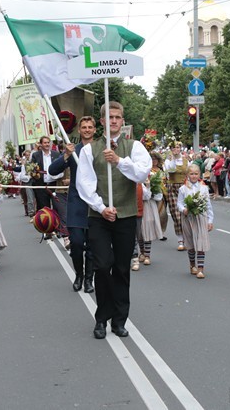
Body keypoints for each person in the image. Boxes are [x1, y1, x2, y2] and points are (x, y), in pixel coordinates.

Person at [77, 101, 151, 339]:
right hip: (99, 216)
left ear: (123, 120)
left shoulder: (135, 146)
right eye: (109, 118)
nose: (114, 121)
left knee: (121, 268)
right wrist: (101, 207)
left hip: (126, 215)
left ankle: (119, 320)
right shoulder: (90, 149)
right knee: (102, 265)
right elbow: (85, 183)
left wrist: (119, 161)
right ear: (102, 121)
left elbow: (141, 173)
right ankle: (101, 318)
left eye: (118, 117)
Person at [48, 116, 96, 293]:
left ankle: (90, 279)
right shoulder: (73, 150)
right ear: (79, 130)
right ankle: (79, 275)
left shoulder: (100, 149)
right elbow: (52, 171)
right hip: (76, 202)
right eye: (84, 127)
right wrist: (66, 155)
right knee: (76, 243)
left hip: (94, 202)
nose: (87, 130)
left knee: (92, 245)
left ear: (95, 130)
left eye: (90, 127)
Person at [176, 164, 214, 279]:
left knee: (201, 242)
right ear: (187, 175)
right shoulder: (183, 189)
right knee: (191, 243)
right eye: (191, 174)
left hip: (200, 217)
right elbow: (179, 203)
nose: (194, 176)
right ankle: (192, 265)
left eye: (196, 174)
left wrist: (210, 220)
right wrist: (184, 209)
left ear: (199, 175)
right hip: (188, 218)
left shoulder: (204, 188)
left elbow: (208, 205)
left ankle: (201, 268)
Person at [164, 141, 188, 250]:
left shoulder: (186, 161)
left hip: (184, 188)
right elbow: (171, 170)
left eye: (178, 147)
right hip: (173, 188)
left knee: (186, 214)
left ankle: (187, 237)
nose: (176, 149)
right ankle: (180, 240)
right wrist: (173, 158)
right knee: (176, 215)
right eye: (174, 148)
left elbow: (191, 173)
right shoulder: (168, 161)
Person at [30, 136, 63, 212]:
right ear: (41, 144)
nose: (47, 144)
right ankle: (46, 223)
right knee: (44, 210)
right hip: (42, 186)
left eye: (48, 142)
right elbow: (32, 169)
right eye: (45, 143)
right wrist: (35, 174)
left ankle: (57, 223)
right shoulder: (36, 155)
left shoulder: (56, 154)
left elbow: (61, 168)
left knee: (57, 207)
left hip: (54, 185)